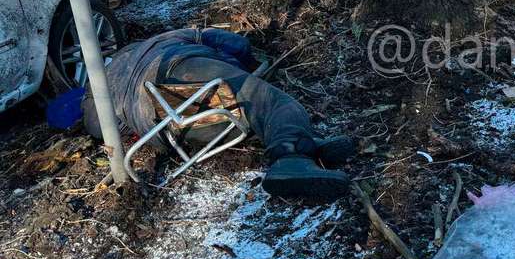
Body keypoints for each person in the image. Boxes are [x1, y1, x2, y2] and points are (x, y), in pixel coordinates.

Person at [82, 29, 356, 202]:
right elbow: (235, 43)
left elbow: (97, 127)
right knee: (269, 101)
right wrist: (243, 68)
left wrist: (130, 119)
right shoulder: (168, 38)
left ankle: (304, 143)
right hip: (180, 70)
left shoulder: (100, 81)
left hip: (165, 126)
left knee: (250, 111)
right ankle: (290, 158)